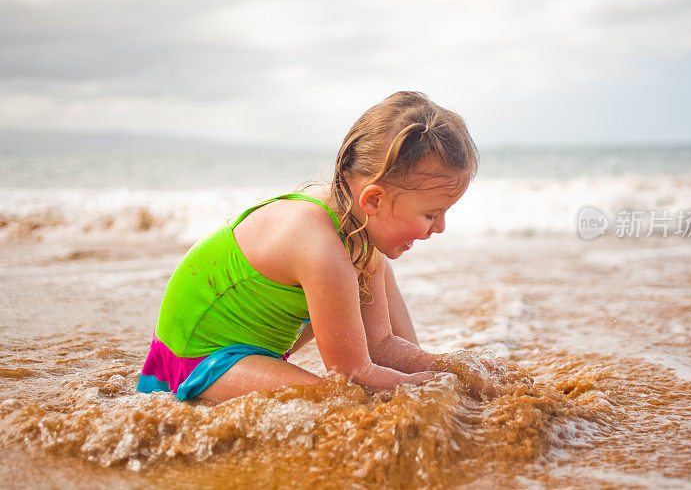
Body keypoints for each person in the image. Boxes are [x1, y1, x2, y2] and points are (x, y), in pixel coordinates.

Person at [136, 91, 480, 402]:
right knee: (340, 399)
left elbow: (380, 346)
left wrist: (452, 368)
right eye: (431, 214)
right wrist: (433, 384)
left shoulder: (360, 235)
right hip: (197, 357)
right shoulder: (320, 247)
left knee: (388, 370)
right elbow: (353, 375)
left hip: (254, 351)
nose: (440, 227)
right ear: (373, 199)